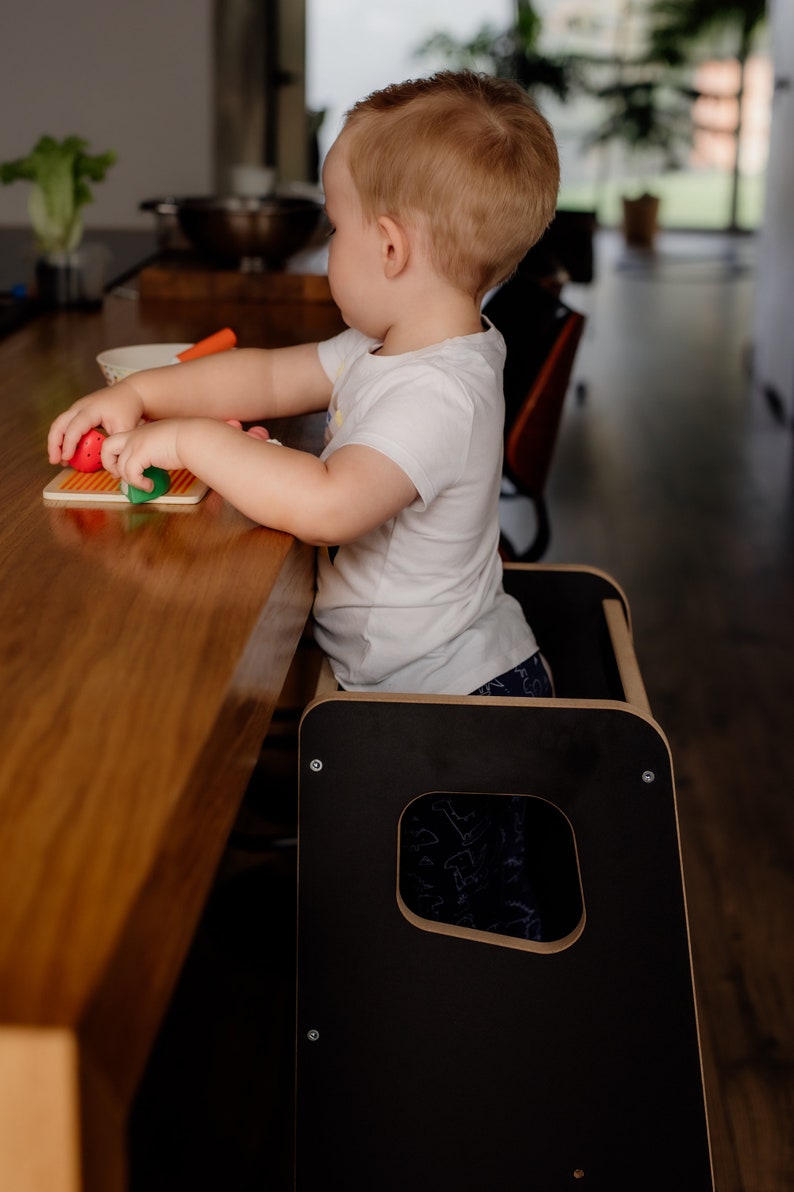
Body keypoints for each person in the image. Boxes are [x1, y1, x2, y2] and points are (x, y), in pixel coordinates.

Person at [48, 70, 561, 940]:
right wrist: (147, 399)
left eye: (334, 224)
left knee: (451, 941)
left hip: (451, 720)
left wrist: (193, 443)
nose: (330, 244)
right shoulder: (392, 345)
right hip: (411, 694)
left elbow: (329, 504)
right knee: (403, 906)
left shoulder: (440, 392)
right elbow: (267, 372)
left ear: (390, 249)